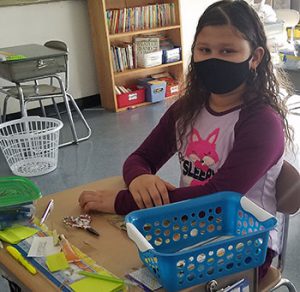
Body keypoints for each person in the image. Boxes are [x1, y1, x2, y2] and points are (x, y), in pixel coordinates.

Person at [79, 0, 293, 279]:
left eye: (228, 51)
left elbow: (218, 197)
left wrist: (122, 202)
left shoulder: (262, 123)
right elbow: (140, 158)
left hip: (247, 247)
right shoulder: (188, 108)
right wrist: (139, 179)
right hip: (188, 227)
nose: (214, 59)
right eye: (204, 50)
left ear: (254, 57)